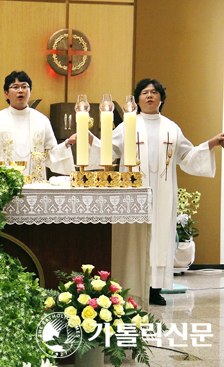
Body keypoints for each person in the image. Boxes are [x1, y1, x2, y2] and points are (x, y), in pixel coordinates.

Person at [91, 78, 224, 305]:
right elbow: (107, 151)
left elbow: (187, 156)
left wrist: (209, 144)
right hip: (133, 192)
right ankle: (128, 286)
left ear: (161, 98)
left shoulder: (171, 128)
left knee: (160, 237)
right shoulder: (127, 126)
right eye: (144, 92)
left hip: (163, 193)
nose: (150, 96)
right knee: (133, 237)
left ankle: (154, 288)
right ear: (138, 98)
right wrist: (87, 140)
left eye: (154, 92)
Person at [0, 71, 76, 175]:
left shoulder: (42, 120)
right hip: (7, 185)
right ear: (6, 93)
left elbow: (51, 153)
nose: (20, 90)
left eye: (24, 86)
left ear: (30, 92)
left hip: (36, 184)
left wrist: (67, 143)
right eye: (15, 87)